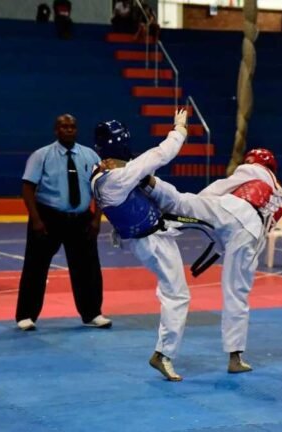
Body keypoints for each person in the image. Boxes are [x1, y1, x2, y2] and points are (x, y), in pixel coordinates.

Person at [149, 148, 282, 374]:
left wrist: (198, 206)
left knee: (183, 203)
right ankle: (236, 358)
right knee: (236, 295)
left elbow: (219, 187)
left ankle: (148, 185)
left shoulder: (253, 169)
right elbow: (260, 232)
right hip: (249, 234)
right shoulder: (281, 196)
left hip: (230, 209)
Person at [91, 109, 191, 381]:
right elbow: (160, 153)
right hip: (152, 240)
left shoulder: (103, 172)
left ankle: (164, 352)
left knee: (172, 292)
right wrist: (179, 128)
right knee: (177, 295)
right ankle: (164, 354)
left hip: (149, 234)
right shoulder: (118, 177)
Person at [16, 114, 110, 331]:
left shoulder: (90, 155)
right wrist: (36, 220)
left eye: (72, 127)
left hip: (81, 219)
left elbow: (101, 189)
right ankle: (26, 315)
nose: (68, 130)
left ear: (76, 130)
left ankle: (92, 313)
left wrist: (97, 219)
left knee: (88, 268)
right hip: (48, 217)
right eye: (64, 127)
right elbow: (28, 188)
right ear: (56, 130)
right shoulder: (42, 155)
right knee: (35, 267)